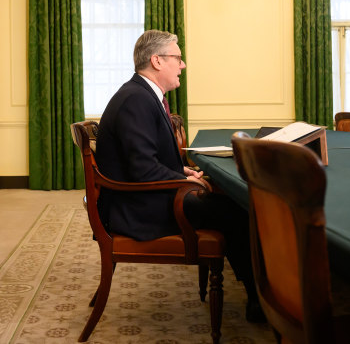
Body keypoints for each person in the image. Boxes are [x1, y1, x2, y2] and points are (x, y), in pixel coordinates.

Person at [94, 29, 265, 323]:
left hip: (143, 197)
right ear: (157, 61)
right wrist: (185, 181)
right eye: (178, 58)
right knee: (239, 211)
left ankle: (256, 292)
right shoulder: (136, 99)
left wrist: (180, 171)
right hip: (137, 209)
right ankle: (260, 299)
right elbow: (142, 169)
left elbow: (145, 159)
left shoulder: (142, 94)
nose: (182, 65)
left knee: (229, 203)